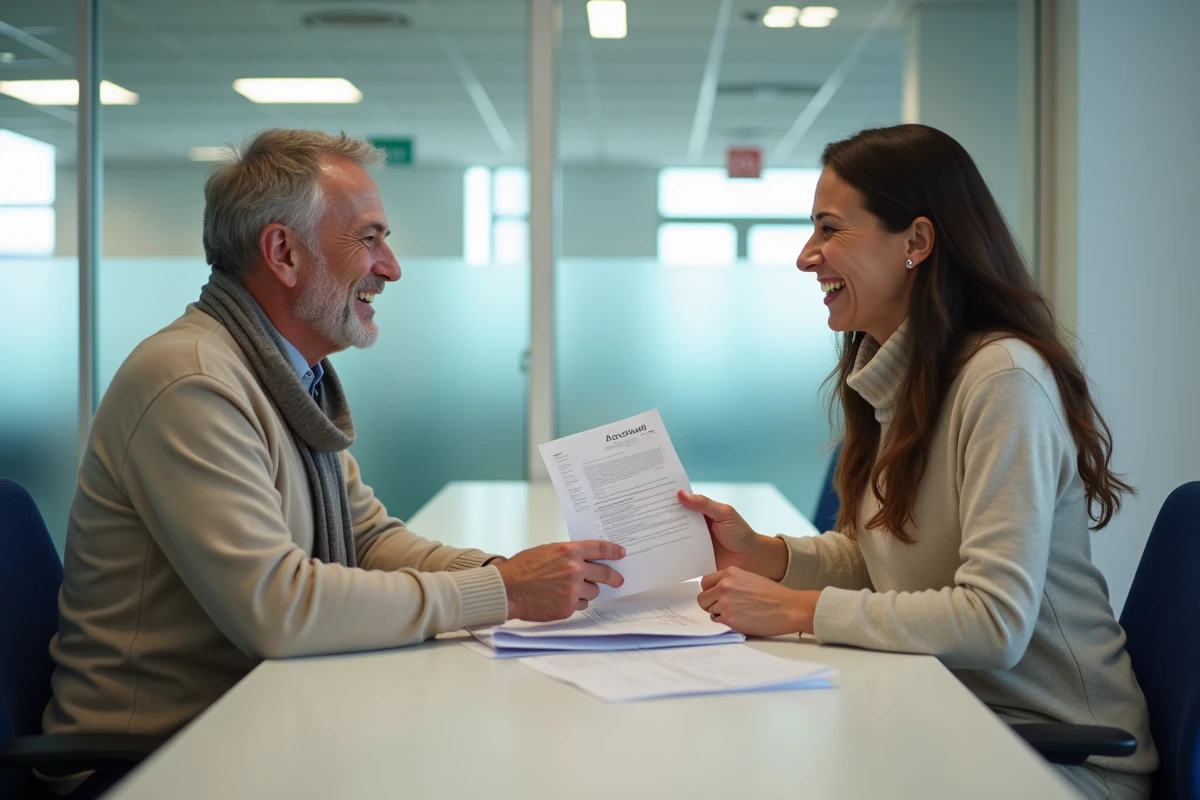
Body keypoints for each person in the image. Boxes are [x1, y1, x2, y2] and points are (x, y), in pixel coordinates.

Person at [43, 129, 625, 787]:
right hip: (155, 762)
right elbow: (279, 610)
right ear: (283, 252)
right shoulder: (192, 381)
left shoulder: (281, 373)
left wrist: (510, 573)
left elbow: (367, 538)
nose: (392, 266)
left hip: (250, 721)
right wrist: (504, 592)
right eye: (369, 238)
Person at [679, 124, 1156, 799]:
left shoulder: (1002, 381)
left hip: (1057, 758)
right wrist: (764, 554)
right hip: (956, 718)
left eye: (829, 229)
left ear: (917, 243)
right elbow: (884, 558)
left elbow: (994, 622)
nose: (806, 257)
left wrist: (798, 610)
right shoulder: (897, 378)